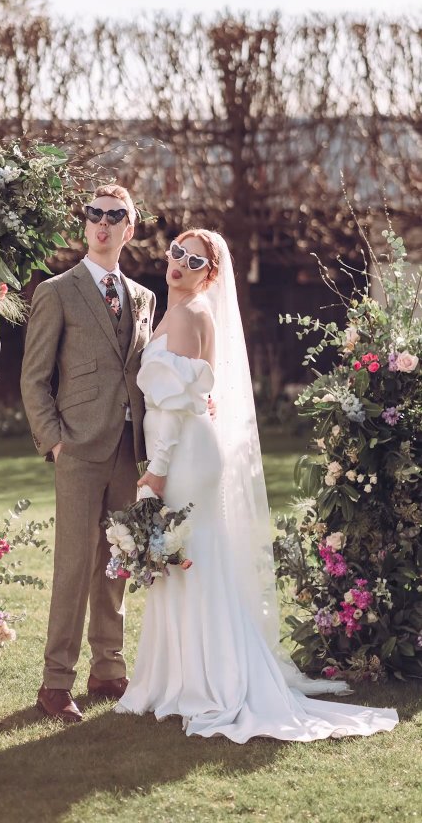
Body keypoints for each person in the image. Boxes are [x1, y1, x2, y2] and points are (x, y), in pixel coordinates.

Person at [115, 229, 399, 742]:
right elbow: (197, 388)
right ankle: (179, 677)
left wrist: (156, 470)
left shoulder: (188, 313)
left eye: (194, 259)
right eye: (176, 251)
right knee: (185, 558)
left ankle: (205, 681)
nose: (179, 262)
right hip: (185, 447)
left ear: (211, 272)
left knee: (188, 557)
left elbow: (178, 403)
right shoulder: (181, 311)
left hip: (180, 455)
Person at [20, 184, 156, 723]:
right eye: (94, 214)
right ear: (86, 224)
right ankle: (55, 684)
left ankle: (108, 669)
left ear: (130, 226)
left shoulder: (144, 297)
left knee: (115, 564)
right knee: (75, 565)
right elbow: (33, 379)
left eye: (114, 215)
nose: (102, 223)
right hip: (77, 447)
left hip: (128, 448)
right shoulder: (58, 291)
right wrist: (55, 440)